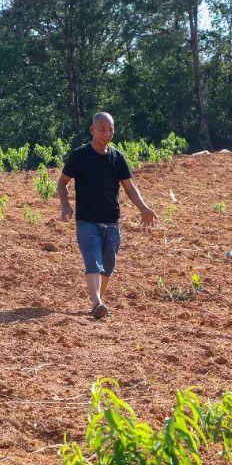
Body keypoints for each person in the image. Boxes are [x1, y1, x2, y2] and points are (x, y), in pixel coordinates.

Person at [58, 112, 157, 319]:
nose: (107, 133)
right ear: (92, 130)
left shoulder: (117, 157)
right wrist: (65, 204)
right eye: (102, 129)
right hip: (87, 221)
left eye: (110, 129)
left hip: (112, 221)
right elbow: (62, 182)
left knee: (108, 265)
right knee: (93, 261)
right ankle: (97, 303)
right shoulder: (79, 156)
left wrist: (144, 208)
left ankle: (97, 302)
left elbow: (129, 187)